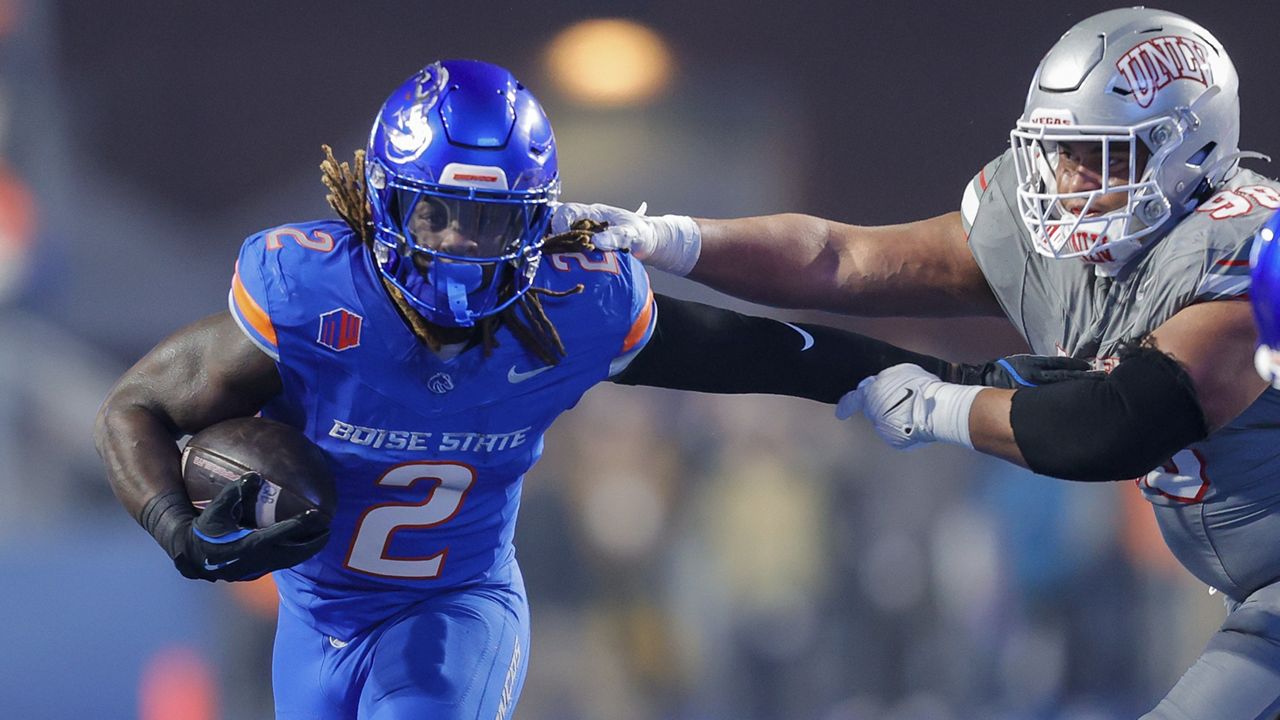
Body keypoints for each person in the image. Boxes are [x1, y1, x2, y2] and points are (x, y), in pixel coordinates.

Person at [92, 59, 1073, 720]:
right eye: (436, 216)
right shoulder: (312, 300)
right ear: (381, 208)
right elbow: (134, 407)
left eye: (490, 222)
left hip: (453, 606)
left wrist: (955, 384)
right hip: (314, 617)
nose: (460, 249)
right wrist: (177, 527)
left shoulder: (574, 308)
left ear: (538, 220)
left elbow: (767, 354)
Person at [554, 8, 1280, 718]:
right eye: (1062, 151)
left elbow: (1117, 423)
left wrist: (935, 404)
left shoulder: (1246, 251)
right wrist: (669, 239)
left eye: (1104, 156)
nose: (1069, 181)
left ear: (1191, 153)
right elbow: (841, 260)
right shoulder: (1060, 230)